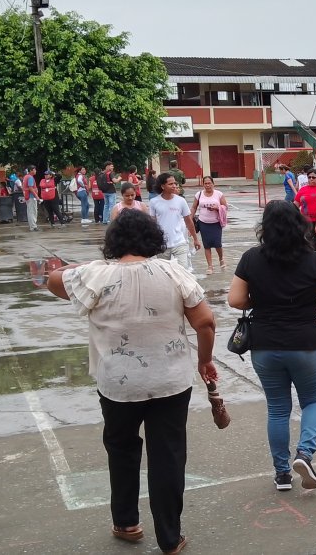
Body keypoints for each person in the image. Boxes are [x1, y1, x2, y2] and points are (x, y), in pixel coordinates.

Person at [46, 209, 216, 555]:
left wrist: (86, 266)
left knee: (122, 451)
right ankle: (170, 537)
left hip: (118, 385)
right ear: (154, 239)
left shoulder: (96, 275)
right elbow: (206, 322)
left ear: (113, 241)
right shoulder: (172, 271)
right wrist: (204, 359)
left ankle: (126, 523)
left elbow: (52, 279)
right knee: (168, 456)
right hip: (170, 381)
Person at [227, 200, 316, 492]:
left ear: (265, 228)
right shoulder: (312, 260)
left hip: (265, 344)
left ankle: (282, 474)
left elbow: (235, 300)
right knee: (314, 401)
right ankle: (305, 453)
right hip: (305, 344)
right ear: (298, 224)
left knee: (277, 409)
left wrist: (261, 300)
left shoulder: (251, 258)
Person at [150, 173, 201, 273]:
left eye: (175, 183)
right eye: (170, 184)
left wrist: (195, 239)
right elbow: (152, 223)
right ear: (162, 186)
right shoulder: (154, 202)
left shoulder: (181, 201)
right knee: (164, 272)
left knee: (183, 271)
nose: (174, 186)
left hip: (179, 242)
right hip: (162, 244)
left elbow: (188, 221)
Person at [191, 176, 228, 275]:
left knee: (217, 244)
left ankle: (221, 258)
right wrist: (190, 219)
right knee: (206, 245)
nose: (207, 185)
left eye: (209, 183)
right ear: (203, 184)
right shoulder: (199, 194)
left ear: (213, 184)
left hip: (216, 223)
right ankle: (210, 266)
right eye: (205, 183)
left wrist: (217, 207)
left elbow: (225, 206)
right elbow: (194, 207)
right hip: (203, 223)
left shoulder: (219, 194)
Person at [23, 166, 41, 232]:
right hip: (31, 197)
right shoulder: (30, 177)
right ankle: (33, 227)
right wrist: (37, 196)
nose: (35, 171)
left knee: (30, 212)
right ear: (31, 170)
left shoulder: (26, 177)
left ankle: (32, 226)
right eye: (34, 169)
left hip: (28, 196)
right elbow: (30, 188)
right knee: (33, 212)